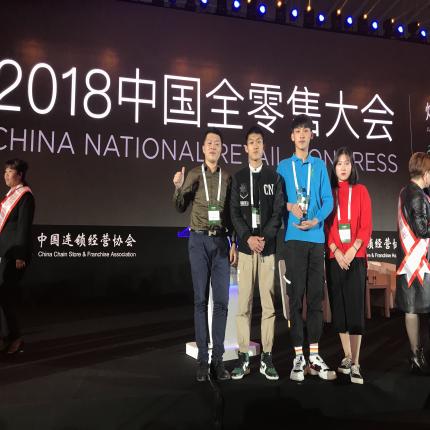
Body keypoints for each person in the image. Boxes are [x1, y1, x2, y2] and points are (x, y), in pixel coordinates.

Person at [173, 128, 237, 382]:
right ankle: (202, 361)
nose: (213, 146)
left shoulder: (228, 178)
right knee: (201, 301)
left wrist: (234, 243)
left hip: (221, 241)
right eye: (209, 143)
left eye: (217, 143)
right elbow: (179, 207)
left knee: (221, 303)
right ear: (203, 148)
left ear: (221, 149)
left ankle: (218, 361)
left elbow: (232, 215)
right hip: (198, 241)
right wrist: (178, 187)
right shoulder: (193, 174)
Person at [276, 114, 335, 382]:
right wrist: (290, 206)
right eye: (297, 131)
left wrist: (316, 219)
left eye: (306, 131)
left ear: (312, 135)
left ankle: (314, 354)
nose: (301, 135)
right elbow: (277, 202)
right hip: (293, 240)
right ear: (292, 136)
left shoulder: (319, 165)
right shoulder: (283, 166)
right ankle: (298, 356)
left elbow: (328, 200)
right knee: (295, 297)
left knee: (315, 299)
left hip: (316, 238)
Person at [229, 126, 284, 380]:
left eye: (259, 141)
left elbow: (278, 212)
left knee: (269, 306)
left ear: (263, 147)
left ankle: (267, 357)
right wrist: (247, 238)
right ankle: (243, 357)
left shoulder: (274, 177)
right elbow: (234, 213)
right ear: (245, 148)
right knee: (244, 305)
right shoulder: (238, 178)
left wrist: (264, 238)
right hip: (245, 250)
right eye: (251, 142)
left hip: (267, 249)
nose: (255, 146)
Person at [325, 147, 372, 384]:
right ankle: (346, 356)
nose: (343, 167)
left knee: (355, 310)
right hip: (335, 258)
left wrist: (352, 250)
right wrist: (336, 250)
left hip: (356, 257)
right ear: (334, 168)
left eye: (347, 163)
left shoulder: (361, 191)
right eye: (339, 164)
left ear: (352, 167)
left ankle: (356, 363)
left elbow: (366, 225)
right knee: (340, 311)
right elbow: (327, 226)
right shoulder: (329, 193)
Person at [396, 152, 430, 374]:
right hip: (418, 262)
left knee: (411, 308)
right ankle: (417, 355)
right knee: (414, 308)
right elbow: (422, 230)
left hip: (408, 261)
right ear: (425, 173)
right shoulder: (417, 195)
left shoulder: (405, 191)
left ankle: (415, 354)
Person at [0, 159, 35, 354]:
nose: (5, 175)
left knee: (5, 296)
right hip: (5, 252)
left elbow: (23, 227)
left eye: (10, 171)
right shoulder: (10, 195)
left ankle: (15, 338)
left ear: (20, 175)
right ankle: (7, 336)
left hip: (15, 255)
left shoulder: (25, 196)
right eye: (5, 171)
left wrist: (20, 255)